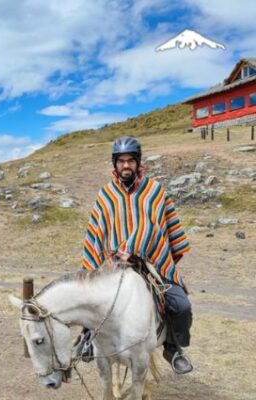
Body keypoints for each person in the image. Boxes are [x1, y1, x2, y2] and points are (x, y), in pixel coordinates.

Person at [80, 136, 193, 374]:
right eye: (121, 161)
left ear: (138, 162)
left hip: (151, 264)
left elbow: (157, 227)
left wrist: (135, 249)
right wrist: (112, 255)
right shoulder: (106, 195)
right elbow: (96, 232)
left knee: (180, 305)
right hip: (114, 264)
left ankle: (173, 347)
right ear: (115, 164)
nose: (126, 166)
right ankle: (87, 338)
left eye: (130, 160)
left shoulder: (155, 191)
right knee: (89, 297)